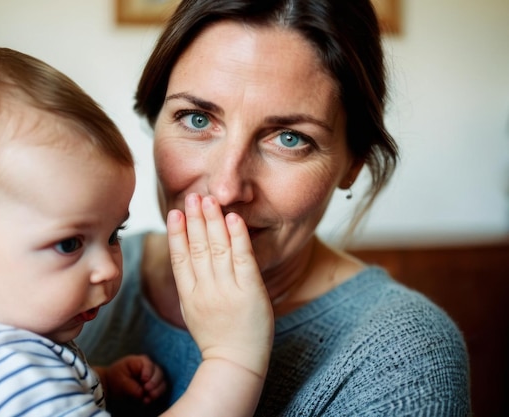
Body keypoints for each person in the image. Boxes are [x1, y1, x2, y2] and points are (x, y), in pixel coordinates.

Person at [76, 0, 472, 415]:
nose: (227, 188)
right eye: (196, 119)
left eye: (288, 138)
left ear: (353, 162)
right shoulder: (68, 274)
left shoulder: (403, 357)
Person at [0, 46, 274, 417]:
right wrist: (233, 359)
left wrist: (97, 381)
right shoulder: (6, 374)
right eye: (69, 243)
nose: (107, 268)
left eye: (113, 234)